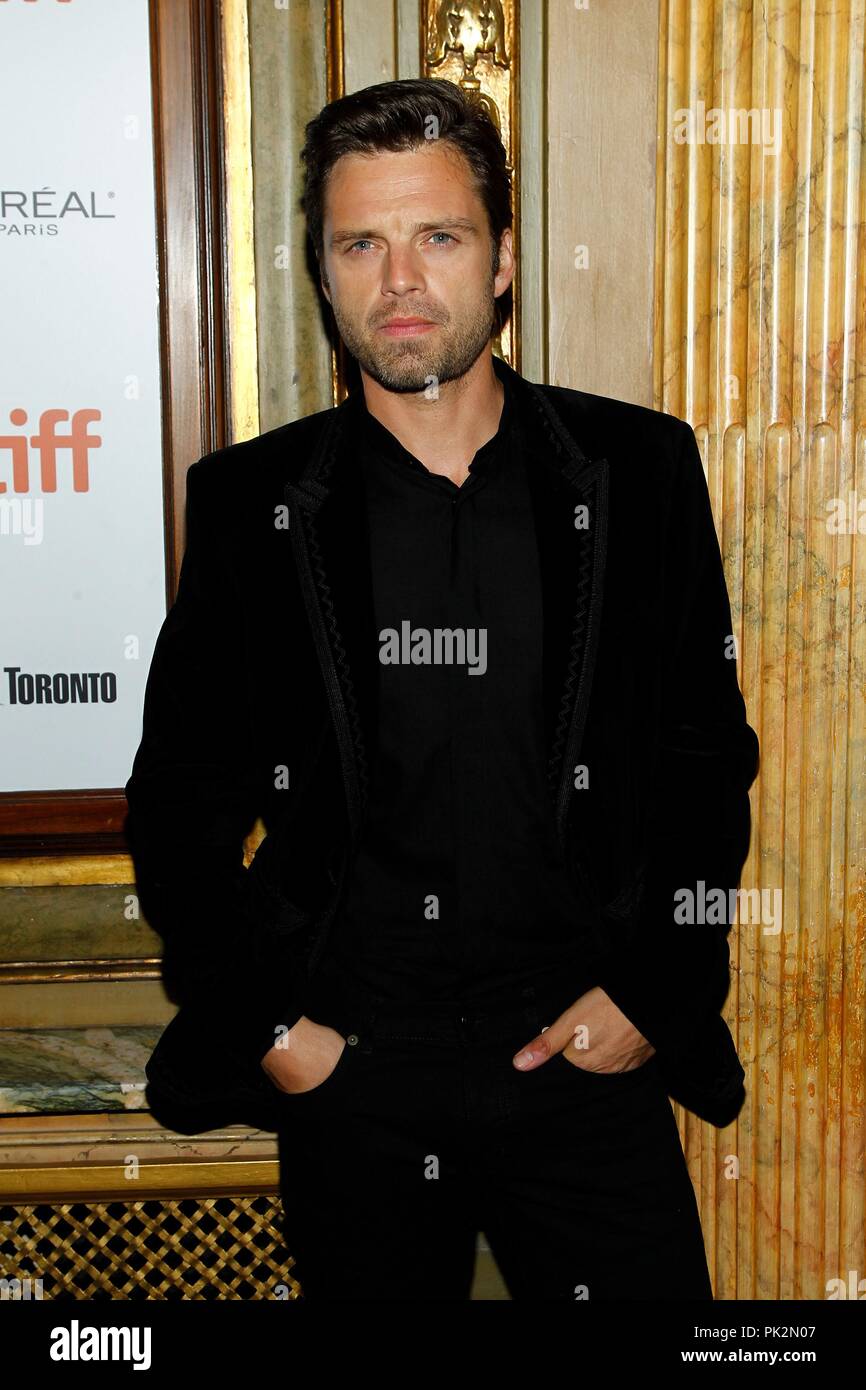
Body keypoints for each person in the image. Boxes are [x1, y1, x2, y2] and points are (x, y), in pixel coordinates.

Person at [125, 78, 760, 1301]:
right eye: (360, 243)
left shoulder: (637, 469)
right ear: (322, 271)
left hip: (583, 1065)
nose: (399, 280)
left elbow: (701, 760)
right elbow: (179, 805)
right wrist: (275, 1035)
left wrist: (646, 995)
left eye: (438, 237)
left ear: (504, 258)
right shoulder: (252, 505)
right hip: (355, 1078)